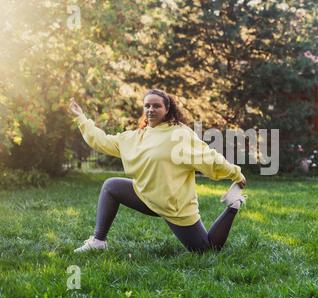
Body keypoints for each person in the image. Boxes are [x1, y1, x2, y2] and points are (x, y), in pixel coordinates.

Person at [68, 89, 246, 254]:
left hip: (173, 206)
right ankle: (99, 241)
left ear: (167, 109)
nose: (151, 109)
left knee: (205, 250)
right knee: (111, 186)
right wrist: (81, 118)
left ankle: (233, 206)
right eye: (147, 106)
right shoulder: (137, 136)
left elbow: (208, 158)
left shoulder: (180, 134)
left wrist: (235, 173)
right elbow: (102, 141)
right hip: (145, 196)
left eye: (156, 106)